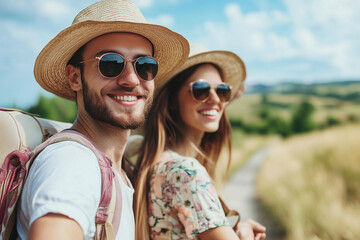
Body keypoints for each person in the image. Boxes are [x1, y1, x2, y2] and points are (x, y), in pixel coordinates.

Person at [16, 0, 189, 239]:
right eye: (110, 63)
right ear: (74, 77)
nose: (131, 79)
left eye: (145, 65)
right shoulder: (72, 163)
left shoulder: (121, 172)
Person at [133, 45, 267, 240]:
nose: (215, 99)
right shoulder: (187, 172)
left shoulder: (151, 160)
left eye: (222, 91)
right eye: (201, 89)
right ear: (171, 100)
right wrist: (244, 233)